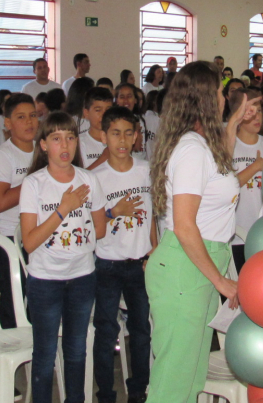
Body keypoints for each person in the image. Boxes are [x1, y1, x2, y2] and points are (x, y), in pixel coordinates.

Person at [145, 61, 248, 402]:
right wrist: (221, 282)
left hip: (199, 267)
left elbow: (218, 182)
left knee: (190, 378)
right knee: (173, 383)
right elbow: (185, 226)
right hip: (184, 269)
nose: (223, 97)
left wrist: (232, 123)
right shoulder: (191, 149)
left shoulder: (202, 146)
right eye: (220, 91)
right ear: (205, 98)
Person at [20, 112, 106, 403]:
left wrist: (81, 243)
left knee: (76, 350)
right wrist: (63, 209)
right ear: (43, 145)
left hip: (82, 277)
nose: (64, 144)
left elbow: (100, 228)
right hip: (45, 280)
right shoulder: (33, 184)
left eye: (70, 137)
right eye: (56, 138)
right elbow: (29, 242)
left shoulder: (89, 179)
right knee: (44, 354)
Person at [92, 106, 155, 403]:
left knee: (141, 330)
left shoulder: (145, 169)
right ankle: (105, 392)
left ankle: (138, 389)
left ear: (136, 137)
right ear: (104, 136)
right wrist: (113, 211)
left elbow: (153, 216)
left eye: (128, 133)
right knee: (106, 332)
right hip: (107, 264)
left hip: (140, 263)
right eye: (115, 133)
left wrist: (153, 250)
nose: (122, 140)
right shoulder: (95, 177)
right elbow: (90, 225)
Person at [0, 93, 37, 398]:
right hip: (9, 239)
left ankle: (35, 352)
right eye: (21, 117)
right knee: (12, 301)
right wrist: (33, 181)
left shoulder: (43, 149)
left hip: (41, 235)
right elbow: (0, 201)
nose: (29, 122)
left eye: (32, 115)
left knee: (37, 300)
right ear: (7, 124)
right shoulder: (3, 156)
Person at [229, 88, 263, 271]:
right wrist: (255, 167)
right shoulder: (229, 146)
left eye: (259, 110)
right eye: (250, 111)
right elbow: (225, 188)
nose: (257, 116)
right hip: (236, 235)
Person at [79, 87, 114, 169]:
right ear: (86, 113)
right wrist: (104, 157)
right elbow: (79, 177)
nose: (104, 115)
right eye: (98, 110)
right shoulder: (79, 143)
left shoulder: (118, 139)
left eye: (108, 110)